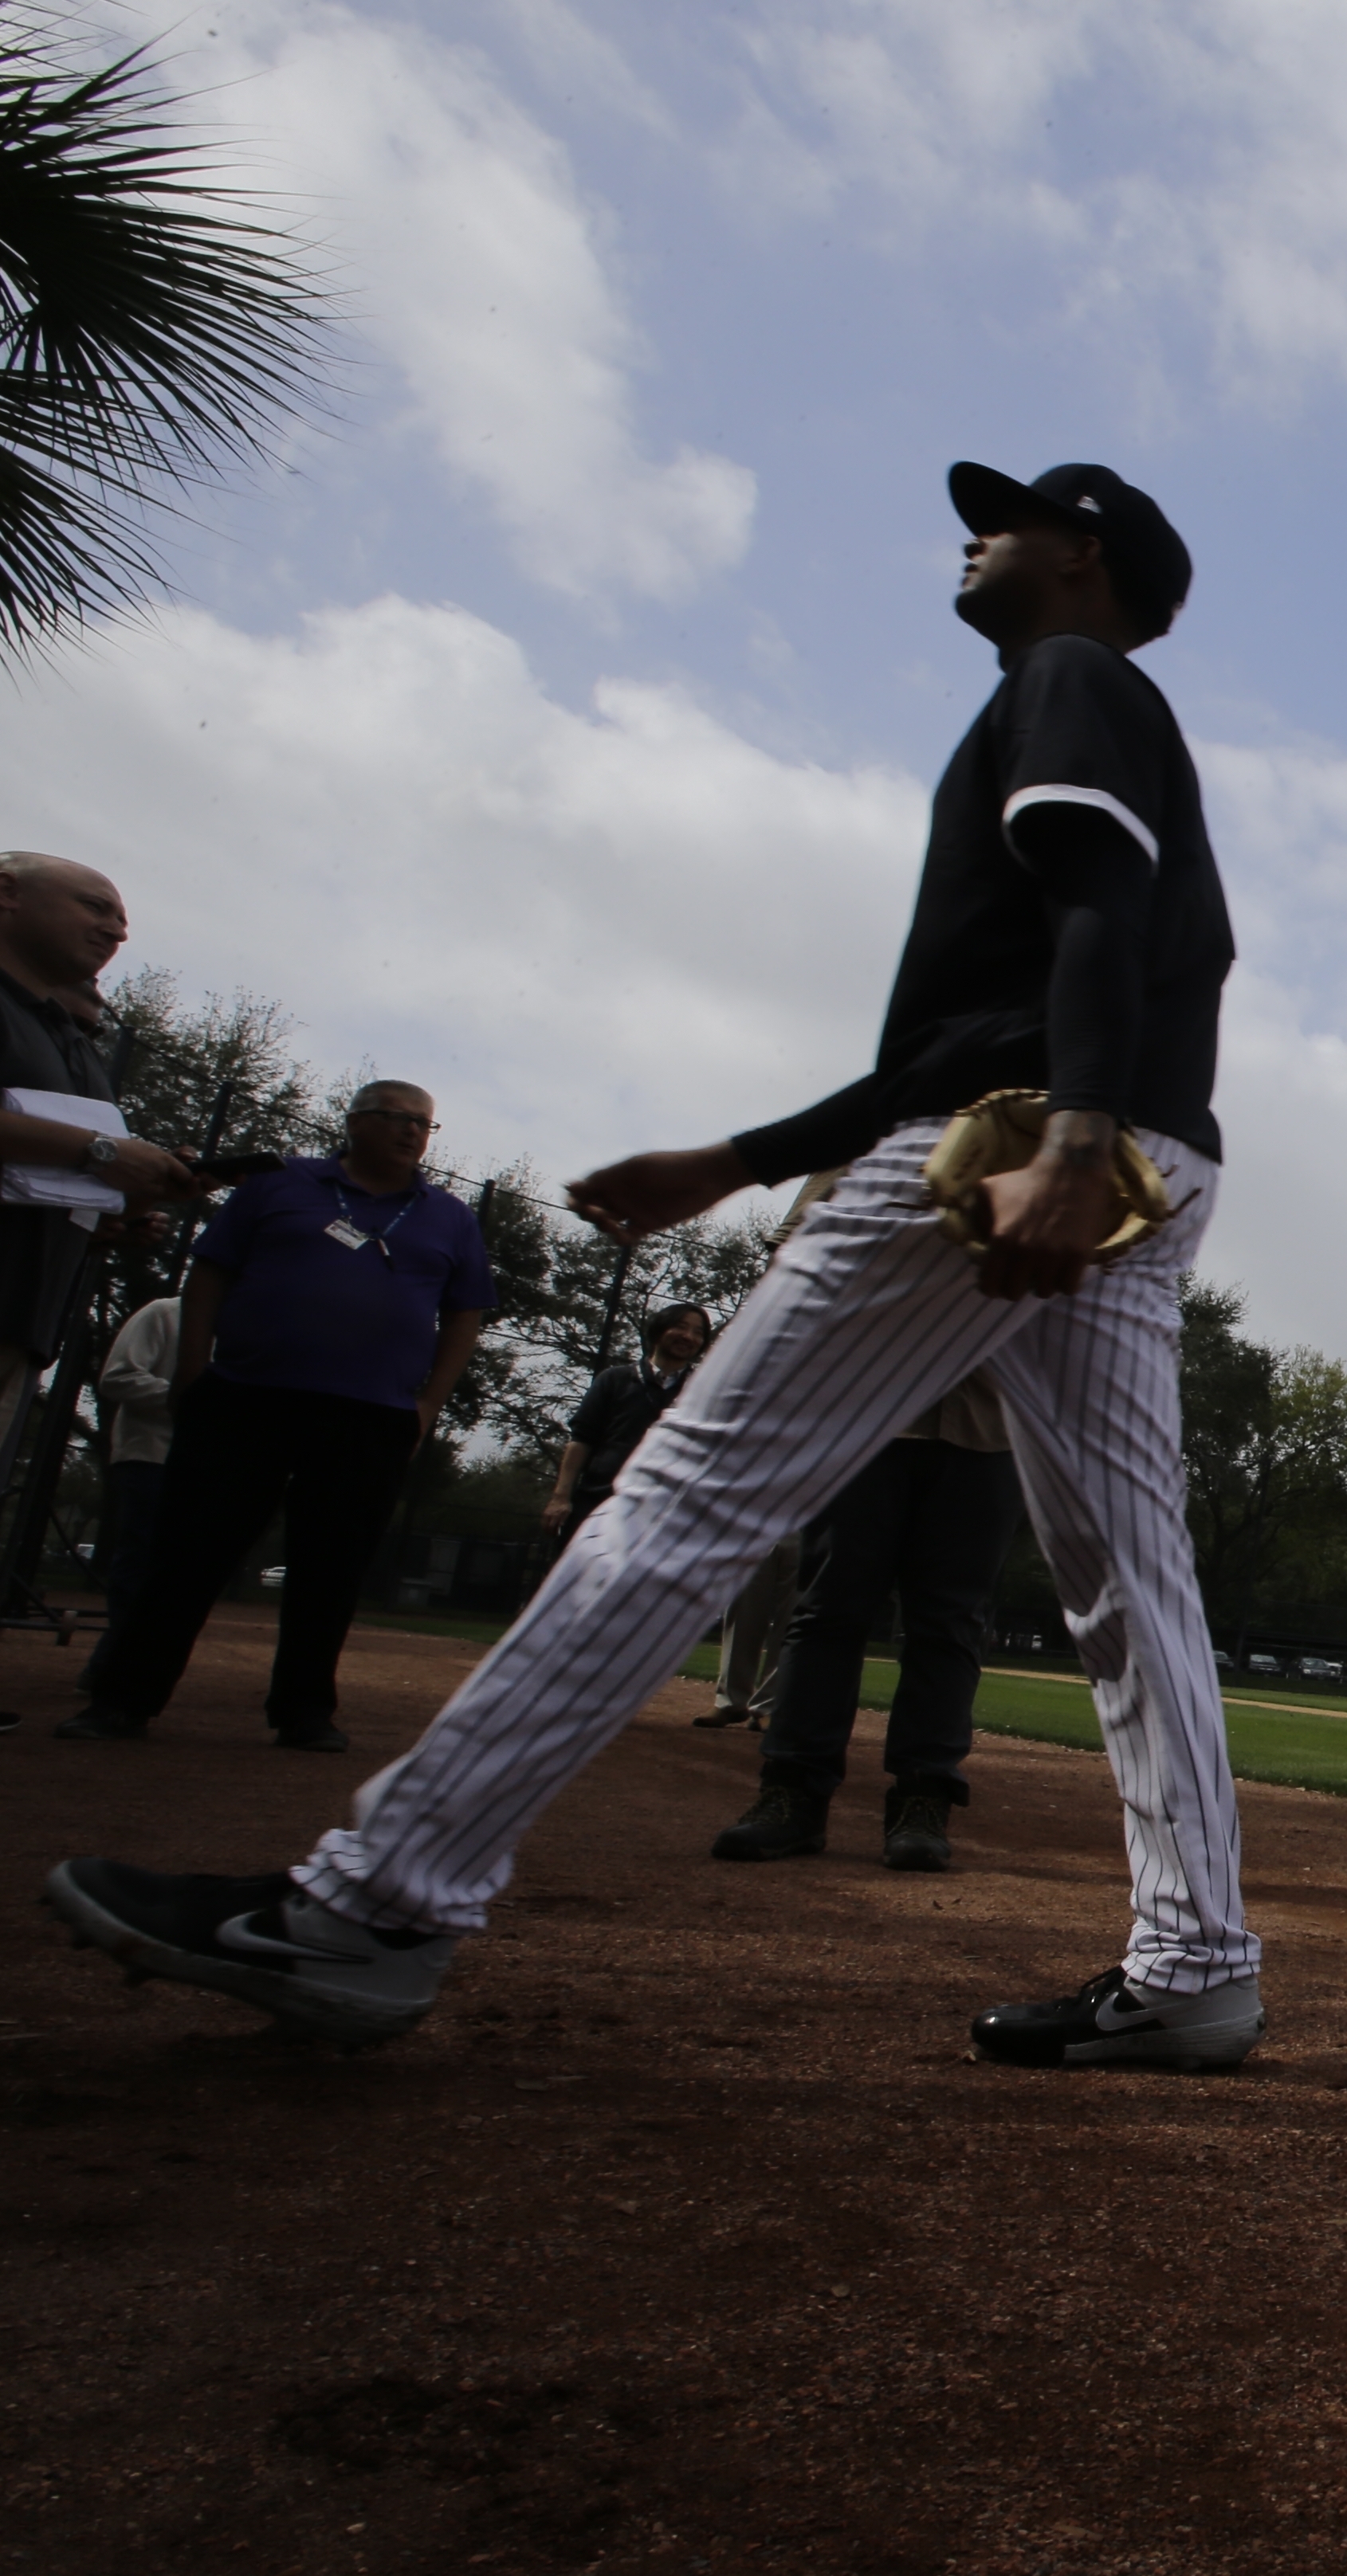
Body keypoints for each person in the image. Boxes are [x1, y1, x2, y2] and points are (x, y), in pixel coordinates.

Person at [45, 457, 1256, 2073]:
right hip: (1121, 1147)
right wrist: (744, 1162)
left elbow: (1099, 906)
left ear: (1084, 556)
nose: (974, 531)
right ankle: (1195, 1966)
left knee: (693, 1497)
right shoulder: (1097, 694)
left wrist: (1078, 1128)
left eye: (1010, 514)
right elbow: (1019, 1002)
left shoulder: (1071, 675)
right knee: (1130, 1575)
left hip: (1034, 1146)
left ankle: (377, 1904)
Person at [56, 1080, 492, 1753]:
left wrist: (429, 1403)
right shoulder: (280, 1183)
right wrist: (194, 1369)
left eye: (424, 1125)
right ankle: (124, 1699)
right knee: (189, 1555)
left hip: (370, 1413)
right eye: (396, 1118)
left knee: (333, 1566)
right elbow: (211, 1271)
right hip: (248, 1396)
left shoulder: (450, 1216)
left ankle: (304, 1710)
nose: (411, 1132)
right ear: (355, 1122)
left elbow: (466, 1312)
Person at [4, 851, 202, 1738]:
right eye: (93, 906)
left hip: (21, 1308)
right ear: (6, 895)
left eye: (122, 920)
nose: (115, 930)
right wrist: (96, 1158)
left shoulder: (66, 1038)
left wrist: (102, 1213)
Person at [713, 1366, 1025, 1873]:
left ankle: (924, 1798)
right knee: (825, 1613)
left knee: (951, 1624)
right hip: (860, 1420)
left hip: (990, 1429)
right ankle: (793, 1791)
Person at [545, 1302, 713, 1551]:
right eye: (681, 1327)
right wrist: (561, 1497)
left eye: (698, 1332)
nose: (688, 1337)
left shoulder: (704, 1392)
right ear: (659, 1331)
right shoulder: (614, 1379)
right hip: (599, 1502)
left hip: (666, 1514)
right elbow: (582, 1439)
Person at [86, 1291, 182, 1614]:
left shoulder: (246, 1324)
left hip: (207, 1462)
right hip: (150, 1455)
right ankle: (117, 1658)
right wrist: (192, 1397)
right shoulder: (165, 1312)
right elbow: (118, 1377)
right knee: (141, 1556)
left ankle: (127, 1655)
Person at [699, 1537, 800, 1731]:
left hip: (805, 1523)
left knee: (791, 1620)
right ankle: (730, 1702)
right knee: (741, 1611)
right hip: (756, 1525)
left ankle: (770, 1706)